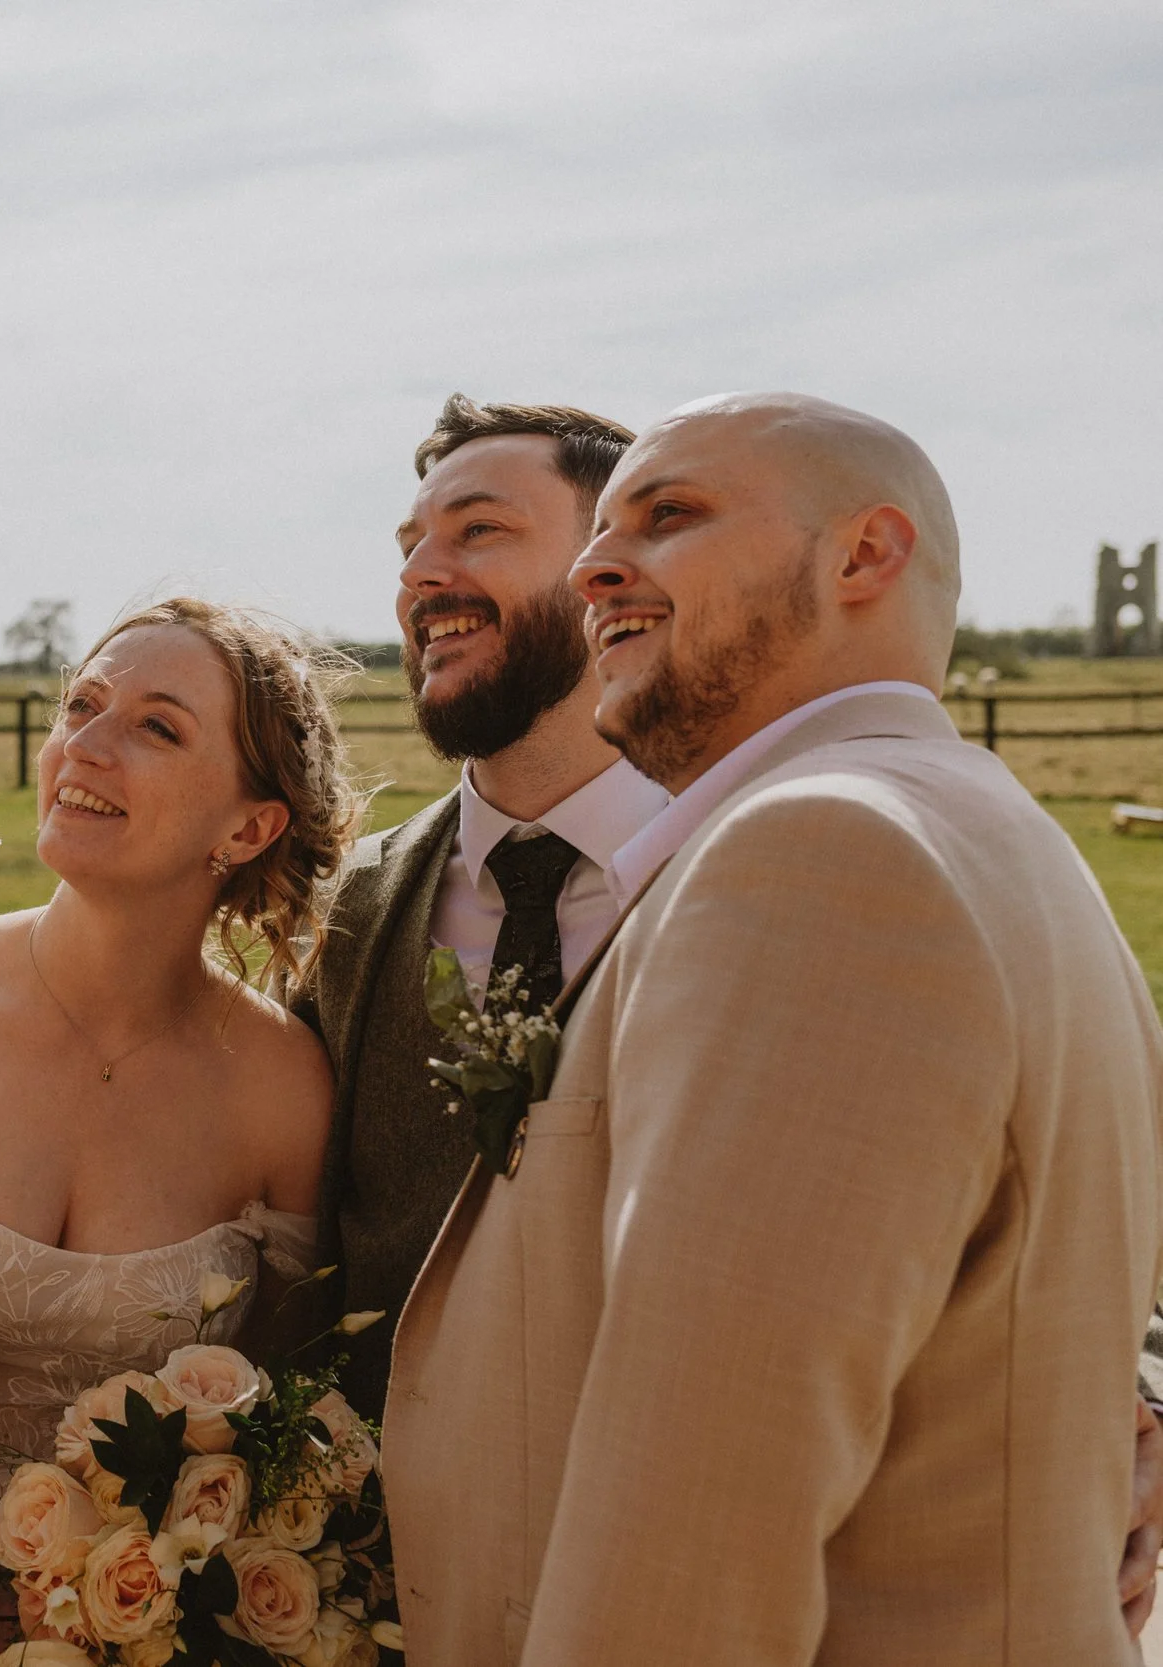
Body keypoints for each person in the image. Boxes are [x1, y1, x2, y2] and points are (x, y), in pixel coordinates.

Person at [380, 392, 1163, 1664]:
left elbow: (699, 1524)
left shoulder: (820, 857)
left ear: (864, 555)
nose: (594, 567)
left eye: (670, 513)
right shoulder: (996, 828)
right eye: (600, 533)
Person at [0, 598, 353, 1666]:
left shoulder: (280, 1088)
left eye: (157, 726)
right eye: (82, 703)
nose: (84, 747)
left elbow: (271, 1417)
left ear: (247, 827)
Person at [292, 395, 664, 1422]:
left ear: (611, 572)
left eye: (478, 530)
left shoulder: (762, 869)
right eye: (411, 544)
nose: (418, 574)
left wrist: (1145, 1397)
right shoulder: (346, 918)